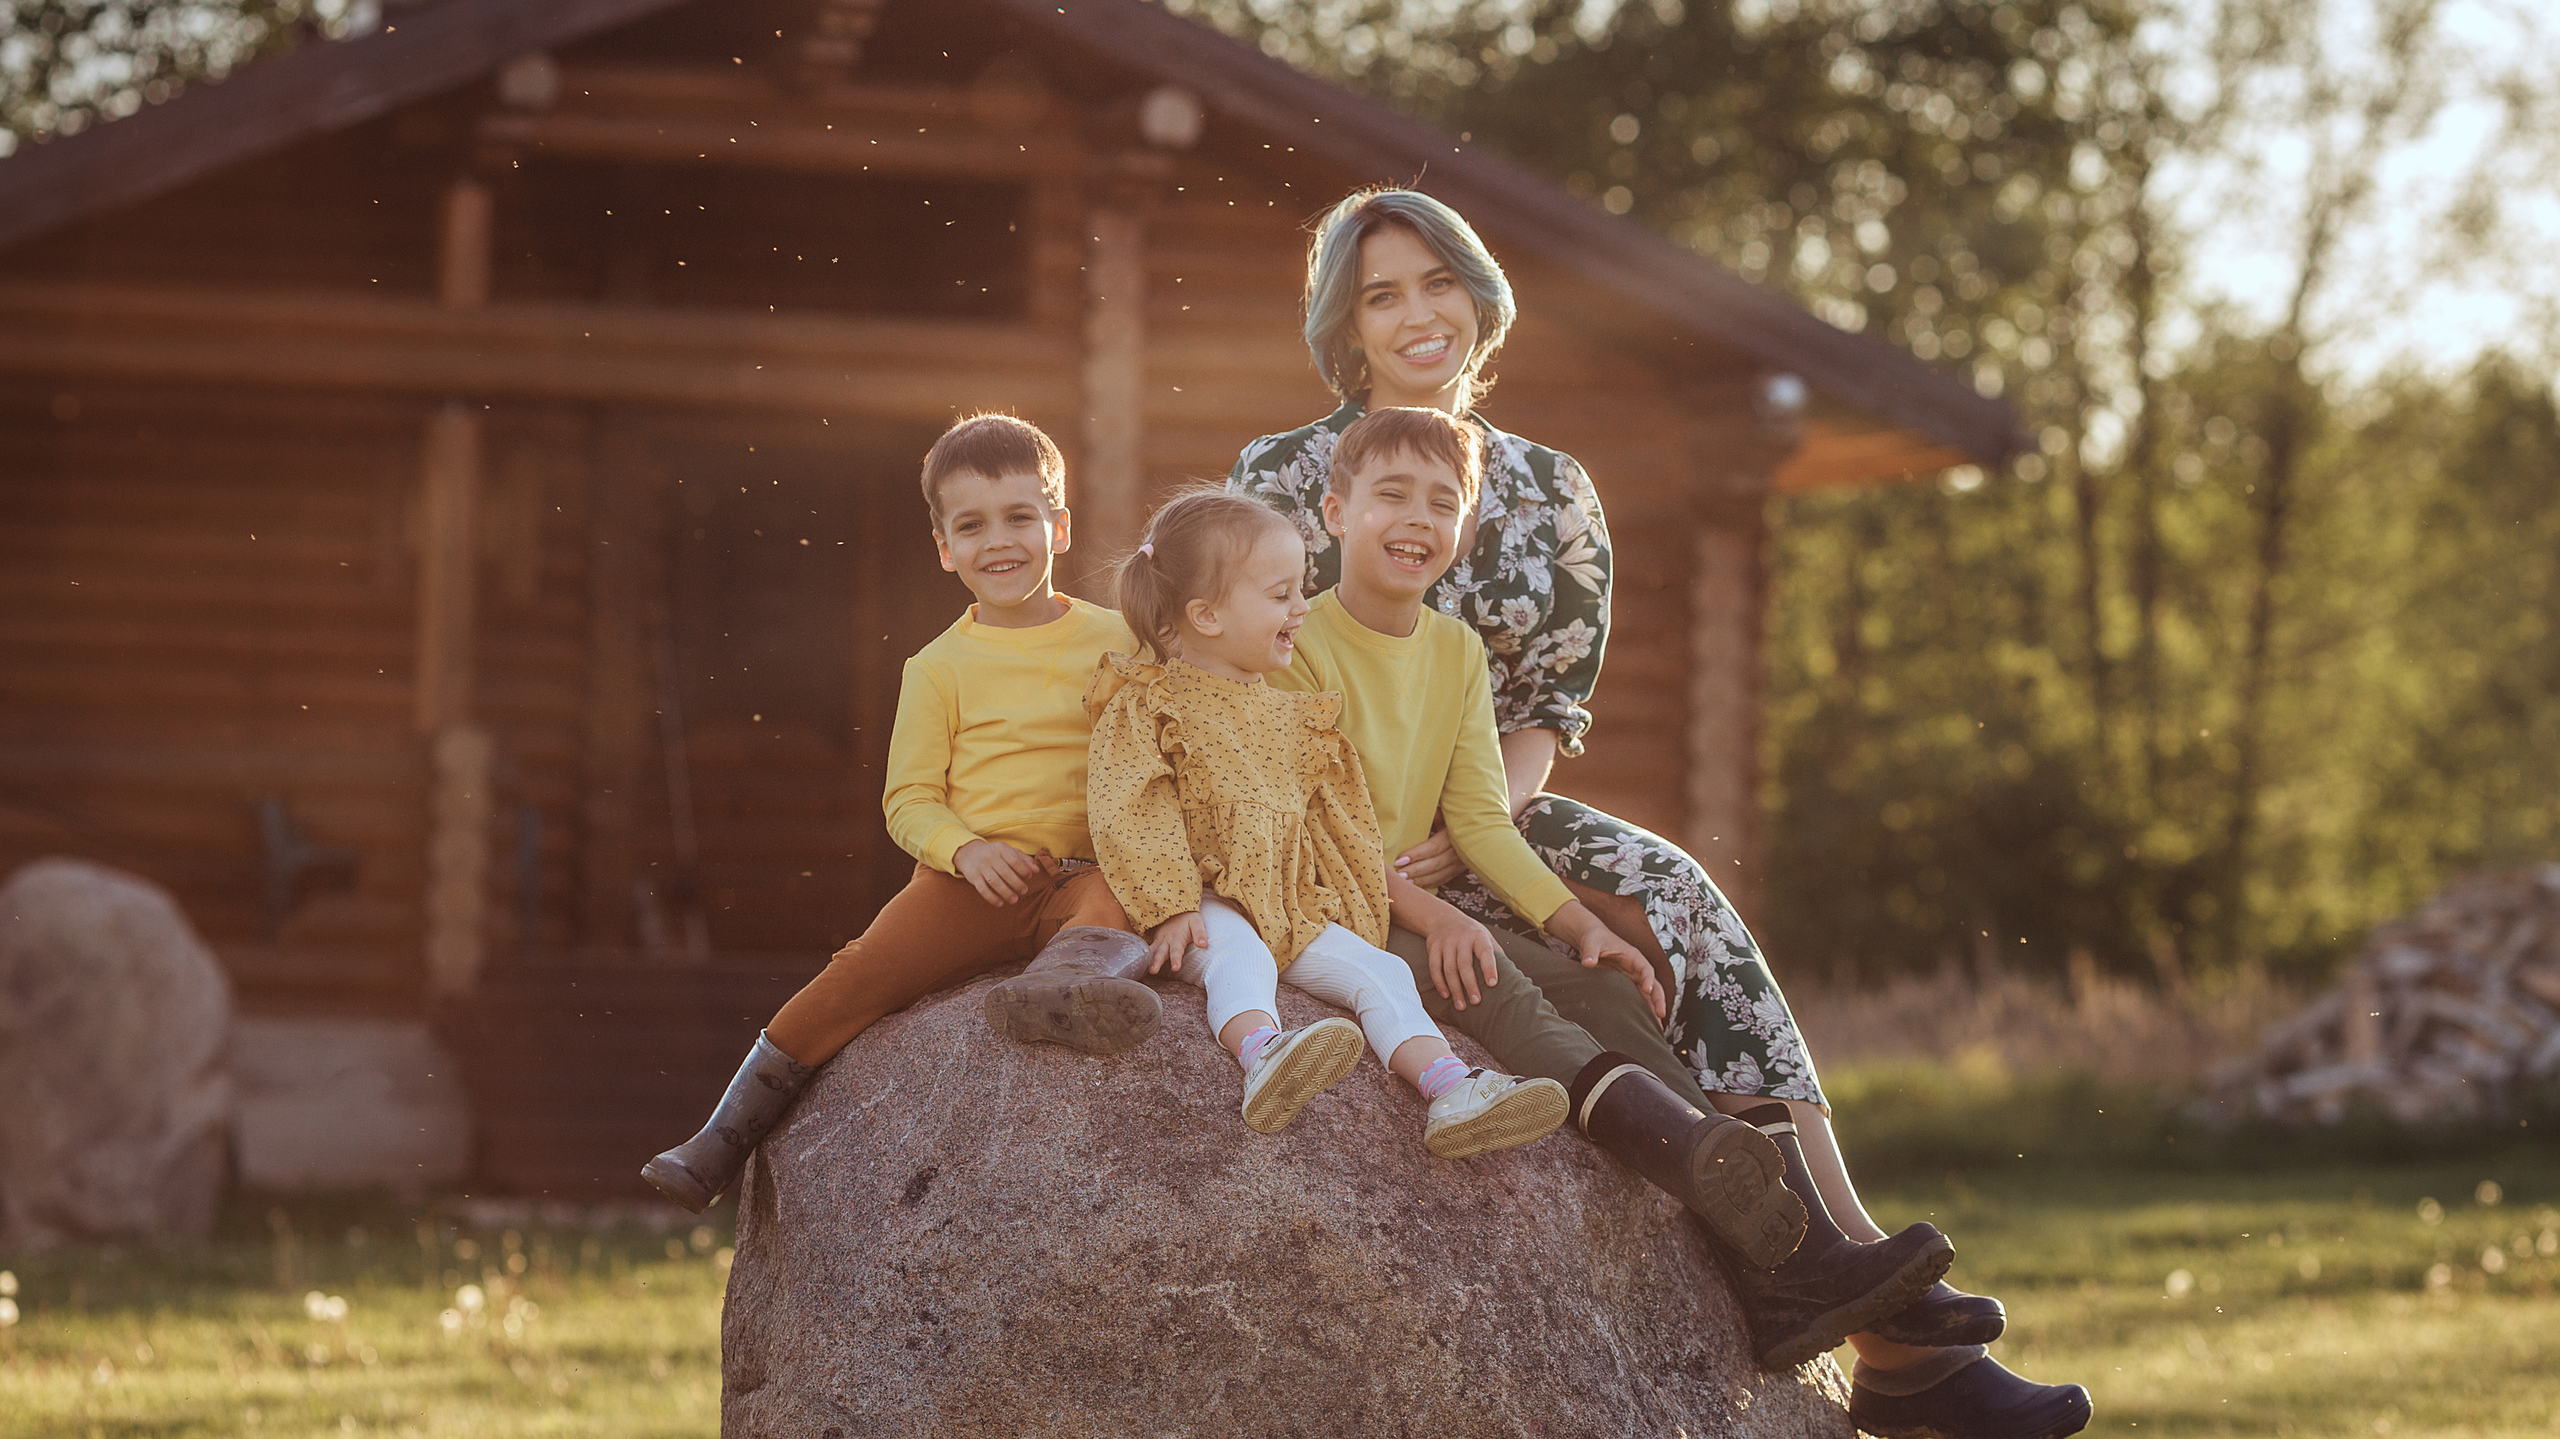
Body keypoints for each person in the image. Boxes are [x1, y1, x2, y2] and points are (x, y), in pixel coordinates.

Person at [1236, 193, 2091, 1439]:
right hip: (1314, 820)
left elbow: (1544, 707)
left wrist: (1483, 824)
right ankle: (1899, 1340)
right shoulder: (1275, 472)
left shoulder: (1551, 490)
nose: (1415, 313)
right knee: (1572, 955)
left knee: (1673, 890)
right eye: (1379, 294)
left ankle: (1860, 1270)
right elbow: (1229, 658)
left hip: (1487, 803)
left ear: (1479, 298)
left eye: (1435, 283)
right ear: (1342, 326)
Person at [642, 414, 1159, 1211]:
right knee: (861, 974)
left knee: (1111, 907)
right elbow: (909, 800)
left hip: (1087, 872)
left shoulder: (1122, 640)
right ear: (945, 548)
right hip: (972, 885)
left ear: (1059, 525)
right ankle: (723, 1134)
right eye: (973, 524)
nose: (1001, 541)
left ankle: (1055, 994)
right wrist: (968, 850)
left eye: (1021, 516)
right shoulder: (938, 666)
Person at [1085, 485, 1568, 1156]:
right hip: (1205, 903)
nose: (1301, 608)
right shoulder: (1152, 703)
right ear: (1207, 614)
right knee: (1241, 955)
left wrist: (1350, 907)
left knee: (1382, 970)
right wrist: (1168, 905)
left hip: (1291, 905)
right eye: (1281, 595)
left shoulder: (1292, 714)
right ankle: (1263, 1052)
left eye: (1300, 590)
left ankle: (1450, 1087)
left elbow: (1337, 829)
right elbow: (1131, 806)